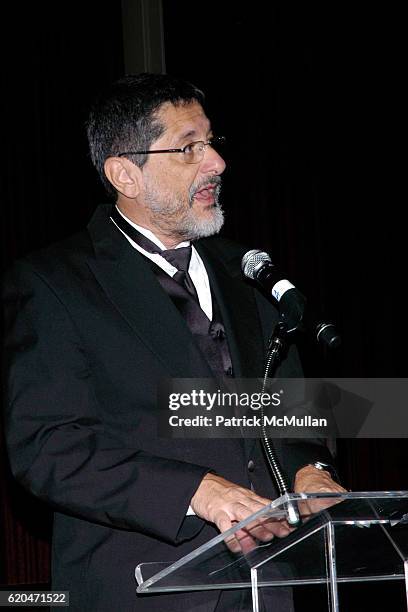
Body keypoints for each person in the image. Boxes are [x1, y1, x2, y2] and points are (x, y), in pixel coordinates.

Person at [3, 73, 344, 611]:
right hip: (143, 589)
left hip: (269, 585)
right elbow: (48, 447)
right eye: (189, 148)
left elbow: (293, 412)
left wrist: (311, 469)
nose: (216, 164)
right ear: (125, 174)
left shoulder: (247, 272)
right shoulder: (54, 284)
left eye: (212, 143)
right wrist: (195, 490)